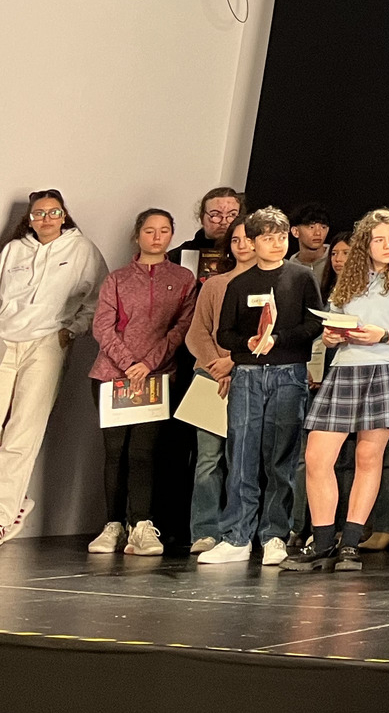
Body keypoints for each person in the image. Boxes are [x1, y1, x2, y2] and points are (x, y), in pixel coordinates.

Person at [282, 210, 389, 571]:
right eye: (380, 239)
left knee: (368, 457)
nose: (388, 245)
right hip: (345, 368)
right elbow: (332, 325)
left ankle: (350, 543)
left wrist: (383, 334)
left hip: (387, 368)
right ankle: (322, 542)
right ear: (366, 242)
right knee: (317, 456)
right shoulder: (349, 279)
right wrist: (332, 336)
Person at [202, 206, 320, 565]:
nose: (276, 243)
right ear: (252, 243)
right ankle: (236, 536)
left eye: (281, 237)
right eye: (268, 238)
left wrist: (279, 338)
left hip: (288, 373)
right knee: (241, 453)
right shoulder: (239, 284)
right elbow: (224, 333)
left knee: (281, 457)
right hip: (249, 374)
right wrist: (248, 343)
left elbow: (314, 324)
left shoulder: (302, 278)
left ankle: (274, 535)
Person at [0, 189, 110, 546]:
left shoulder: (81, 250)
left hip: (46, 343)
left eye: (53, 212)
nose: (45, 219)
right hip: (4, 340)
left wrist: (71, 330)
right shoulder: (13, 251)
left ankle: (2, 515)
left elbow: (99, 298)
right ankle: (17, 500)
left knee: (23, 430)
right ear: (29, 219)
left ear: (64, 215)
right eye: (38, 213)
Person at [88, 208, 197, 556]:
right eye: (150, 231)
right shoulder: (117, 279)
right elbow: (102, 327)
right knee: (114, 453)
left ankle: (141, 525)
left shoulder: (183, 279)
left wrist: (148, 364)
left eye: (164, 230)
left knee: (143, 453)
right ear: (137, 236)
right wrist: (128, 364)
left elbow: (182, 328)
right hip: (112, 376)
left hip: (156, 378)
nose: (157, 237)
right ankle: (113, 525)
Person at [185, 219, 255, 553]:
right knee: (208, 459)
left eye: (248, 239)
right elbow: (196, 332)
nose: (242, 245)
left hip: (251, 375)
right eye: (236, 240)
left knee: (243, 459)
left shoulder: (271, 284)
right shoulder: (215, 285)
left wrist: (235, 362)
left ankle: (239, 530)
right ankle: (204, 530)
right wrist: (217, 365)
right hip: (210, 376)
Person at [170, 187, 243, 279]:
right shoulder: (178, 256)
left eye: (232, 215)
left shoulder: (248, 255)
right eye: (215, 214)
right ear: (202, 218)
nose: (224, 222)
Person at [290, 203, 335, 284]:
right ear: (295, 231)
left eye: (323, 227)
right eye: (311, 227)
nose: (318, 233)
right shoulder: (291, 266)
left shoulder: (335, 258)